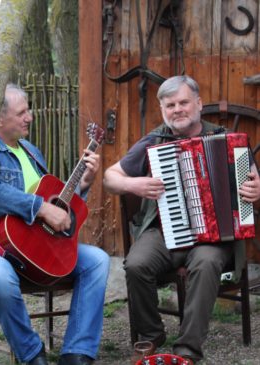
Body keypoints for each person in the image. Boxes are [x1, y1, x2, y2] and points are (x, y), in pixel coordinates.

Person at [103, 75, 260, 364]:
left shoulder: (228, 140)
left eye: (183, 102)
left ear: (198, 104)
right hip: (164, 230)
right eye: (170, 105)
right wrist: (134, 185)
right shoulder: (154, 141)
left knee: (207, 262)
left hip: (213, 235)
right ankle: (151, 335)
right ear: (163, 109)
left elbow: (252, 180)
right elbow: (110, 177)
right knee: (136, 264)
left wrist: (255, 188)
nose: (177, 109)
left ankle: (187, 350)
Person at [0, 83, 110, 365]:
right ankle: (32, 354)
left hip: (33, 244)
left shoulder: (31, 150)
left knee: (99, 261)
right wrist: (40, 208)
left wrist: (83, 184)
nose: (29, 116)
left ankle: (77, 352)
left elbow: (52, 201)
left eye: (28, 110)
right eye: (21, 112)